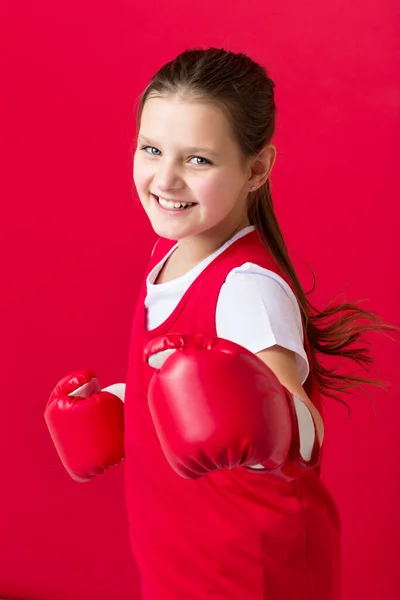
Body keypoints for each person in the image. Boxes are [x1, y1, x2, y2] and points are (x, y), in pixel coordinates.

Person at [45, 48, 396, 599]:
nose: (166, 178)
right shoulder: (171, 253)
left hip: (253, 574)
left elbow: (306, 435)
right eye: (151, 149)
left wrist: (257, 411)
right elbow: (184, 391)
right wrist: (121, 404)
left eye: (198, 160)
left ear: (256, 169)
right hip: (179, 559)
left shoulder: (246, 287)